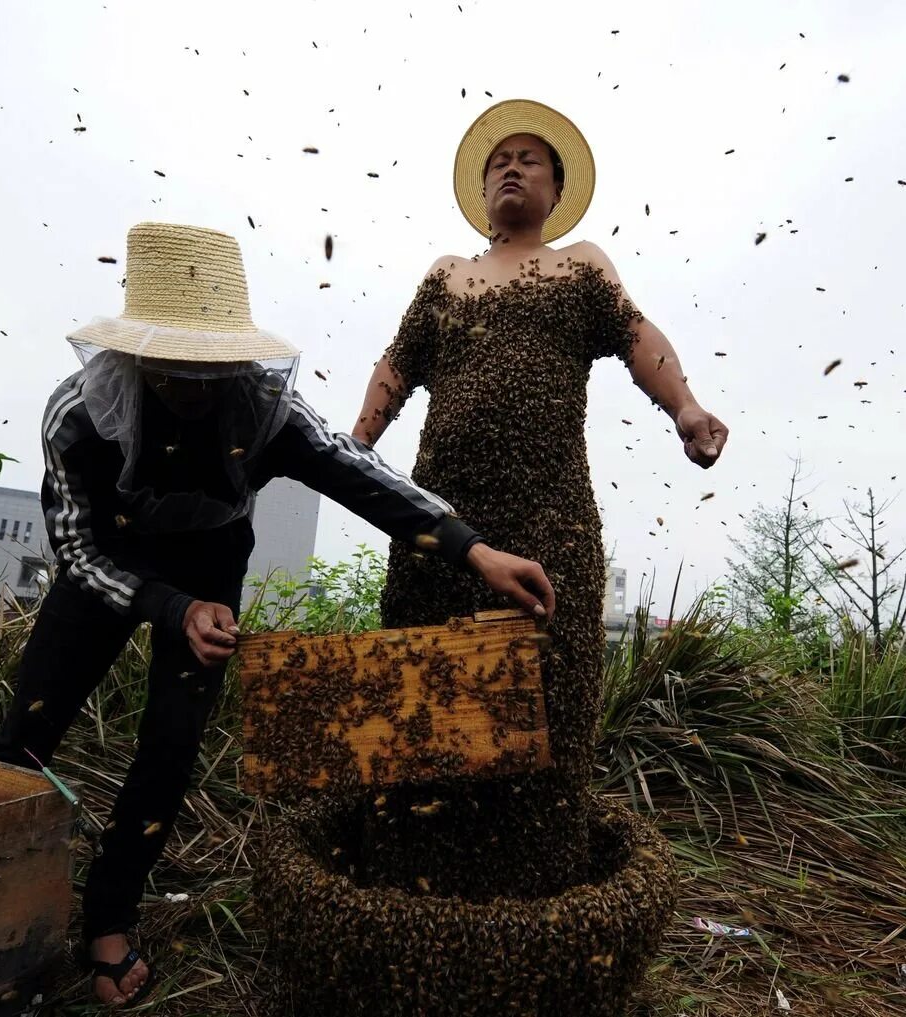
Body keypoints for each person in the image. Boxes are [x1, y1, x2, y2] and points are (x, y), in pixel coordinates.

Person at [0, 222, 556, 1007]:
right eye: (175, 366)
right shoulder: (79, 416)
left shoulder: (266, 411)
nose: (193, 383)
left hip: (211, 565)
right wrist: (167, 606)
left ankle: (108, 921)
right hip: (110, 568)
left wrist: (473, 549)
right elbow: (76, 551)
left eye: (210, 367)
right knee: (27, 731)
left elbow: (361, 475)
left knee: (171, 744)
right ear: (138, 351)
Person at [349, 100, 727, 897]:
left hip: (552, 520)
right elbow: (398, 361)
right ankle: (414, 884)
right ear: (483, 189)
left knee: (548, 711)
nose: (511, 167)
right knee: (423, 698)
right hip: (439, 524)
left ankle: (533, 894)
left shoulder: (581, 265)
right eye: (498, 161)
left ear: (556, 189)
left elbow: (637, 337)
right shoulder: (447, 275)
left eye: (530, 159)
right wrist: (357, 444)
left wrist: (686, 407)